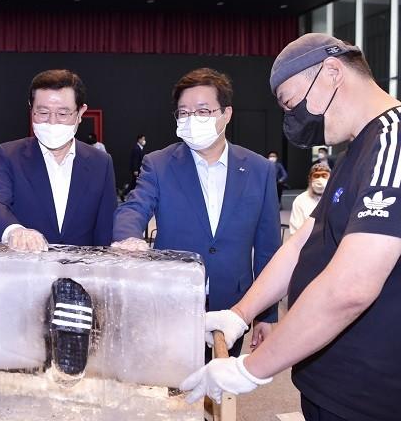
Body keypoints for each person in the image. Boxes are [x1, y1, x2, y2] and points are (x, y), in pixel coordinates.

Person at [180, 33, 401, 421]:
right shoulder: (357, 150)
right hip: (330, 382)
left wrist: (251, 369)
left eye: (292, 103)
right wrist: (240, 314)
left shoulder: (392, 145)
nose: (295, 119)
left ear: (331, 72)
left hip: (371, 394)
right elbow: (302, 243)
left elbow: (350, 288)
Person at [112, 68, 281, 358]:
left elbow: (268, 247)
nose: (192, 120)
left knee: (221, 382)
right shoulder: (159, 164)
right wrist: (128, 237)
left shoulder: (259, 169)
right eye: (184, 113)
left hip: (233, 305)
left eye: (203, 111)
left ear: (226, 114)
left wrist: (266, 313)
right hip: (172, 300)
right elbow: (134, 207)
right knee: (172, 381)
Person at [0, 69, 117, 252]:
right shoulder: (8, 155)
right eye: (43, 112)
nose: (52, 122)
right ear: (31, 109)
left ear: (80, 112)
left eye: (63, 114)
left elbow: (105, 229)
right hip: (26, 266)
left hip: (83, 268)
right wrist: (14, 231)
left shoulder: (101, 163)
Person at [289, 163, 331, 234]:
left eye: (324, 176)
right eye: (316, 176)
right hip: (307, 240)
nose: (320, 179)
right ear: (310, 179)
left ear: (331, 178)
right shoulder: (300, 200)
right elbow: (295, 231)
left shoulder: (337, 198)